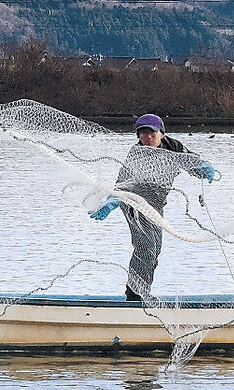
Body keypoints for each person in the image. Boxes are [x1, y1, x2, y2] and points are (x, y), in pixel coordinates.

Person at [89, 114, 215, 302]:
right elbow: (123, 185)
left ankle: (140, 290)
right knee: (146, 247)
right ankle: (135, 296)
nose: (147, 137)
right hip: (134, 202)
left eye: (151, 133)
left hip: (155, 205)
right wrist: (111, 203)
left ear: (161, 133)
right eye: (143, 133)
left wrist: (203, 168)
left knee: (155, 249)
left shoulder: (174, 147)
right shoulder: (137, 153)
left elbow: (191, 162)